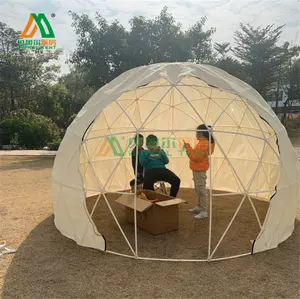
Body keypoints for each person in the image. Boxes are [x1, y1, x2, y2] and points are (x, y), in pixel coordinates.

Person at [183, 124, 215, 220]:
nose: (196, 134)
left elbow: (195, 157)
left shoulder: (204, 144)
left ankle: (204, 211)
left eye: (197, 132)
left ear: (201, 133)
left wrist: (188, 147)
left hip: (200, 170)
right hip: (197, 169)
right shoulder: (202, 142)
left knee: (201, 190)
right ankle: (199, 206)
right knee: (198, 189)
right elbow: (196, 155)